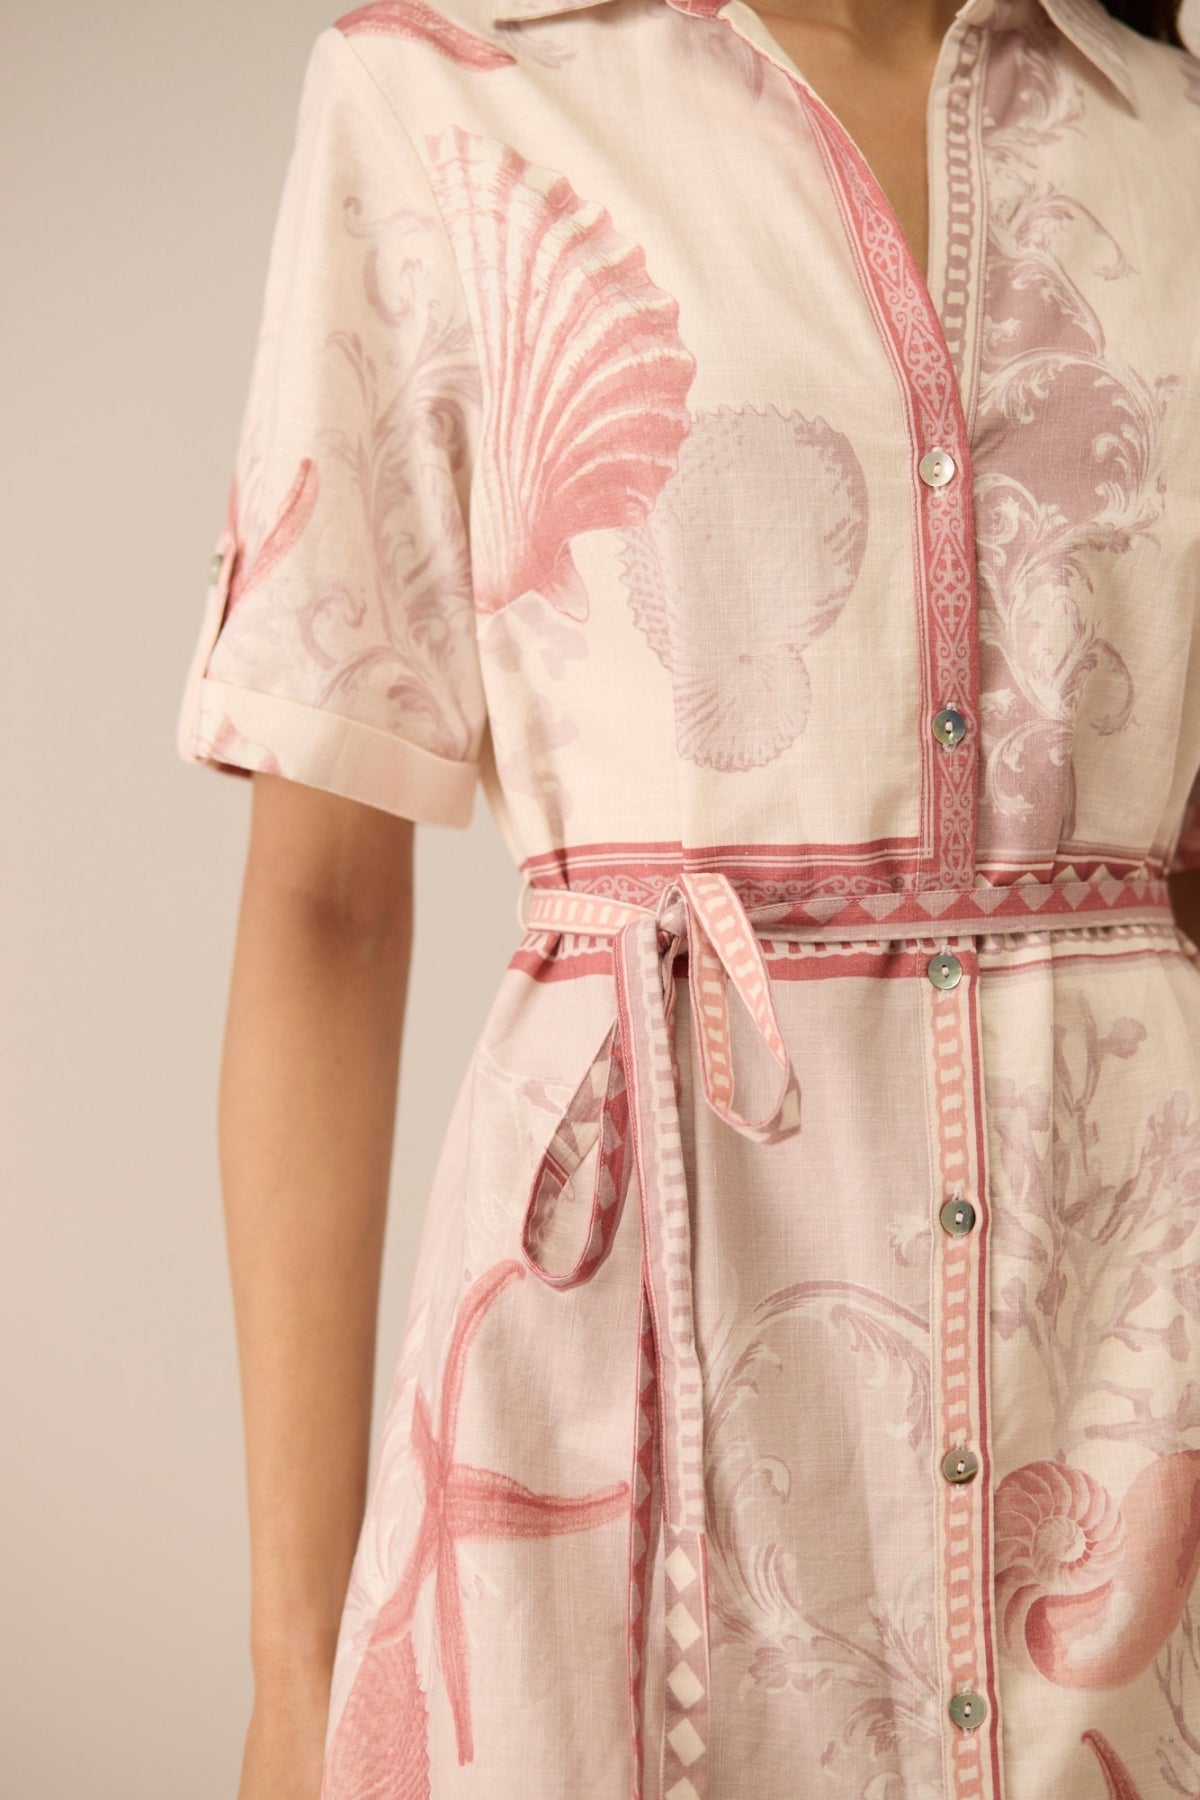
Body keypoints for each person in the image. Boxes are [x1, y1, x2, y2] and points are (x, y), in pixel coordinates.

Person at [174, 0, 1200, 1794]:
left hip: (1138, 1360)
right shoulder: (443, 99)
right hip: (627, 1378)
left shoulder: (1169, 137)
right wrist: (293, 1670)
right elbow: (326, 910)